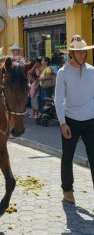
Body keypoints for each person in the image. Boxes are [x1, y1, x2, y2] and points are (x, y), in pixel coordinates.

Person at [55, 35, 94, 204]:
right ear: (71, 52)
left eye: (83, 52)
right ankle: (67, 189)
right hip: (70, 120)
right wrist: (62, 123)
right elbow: (58, 99)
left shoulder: (92, 70)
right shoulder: (63, 72)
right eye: (78, 53)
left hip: (91, 120)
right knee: (67, 157)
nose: (81, 56)